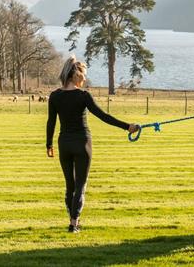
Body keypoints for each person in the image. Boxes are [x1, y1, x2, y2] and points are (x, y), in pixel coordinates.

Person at [46, 56, 139, 232]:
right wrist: (128, 127)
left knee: (70, 185)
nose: (85, 79)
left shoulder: (55, 96)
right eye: (84, 75)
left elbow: (51, 122)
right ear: (76, 75)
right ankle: (74, 223)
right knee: (80, 185)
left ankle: (73, 218)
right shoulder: (83, 96)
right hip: (82, 143)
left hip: (64, 143)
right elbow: (103, 116)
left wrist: (48, 145)